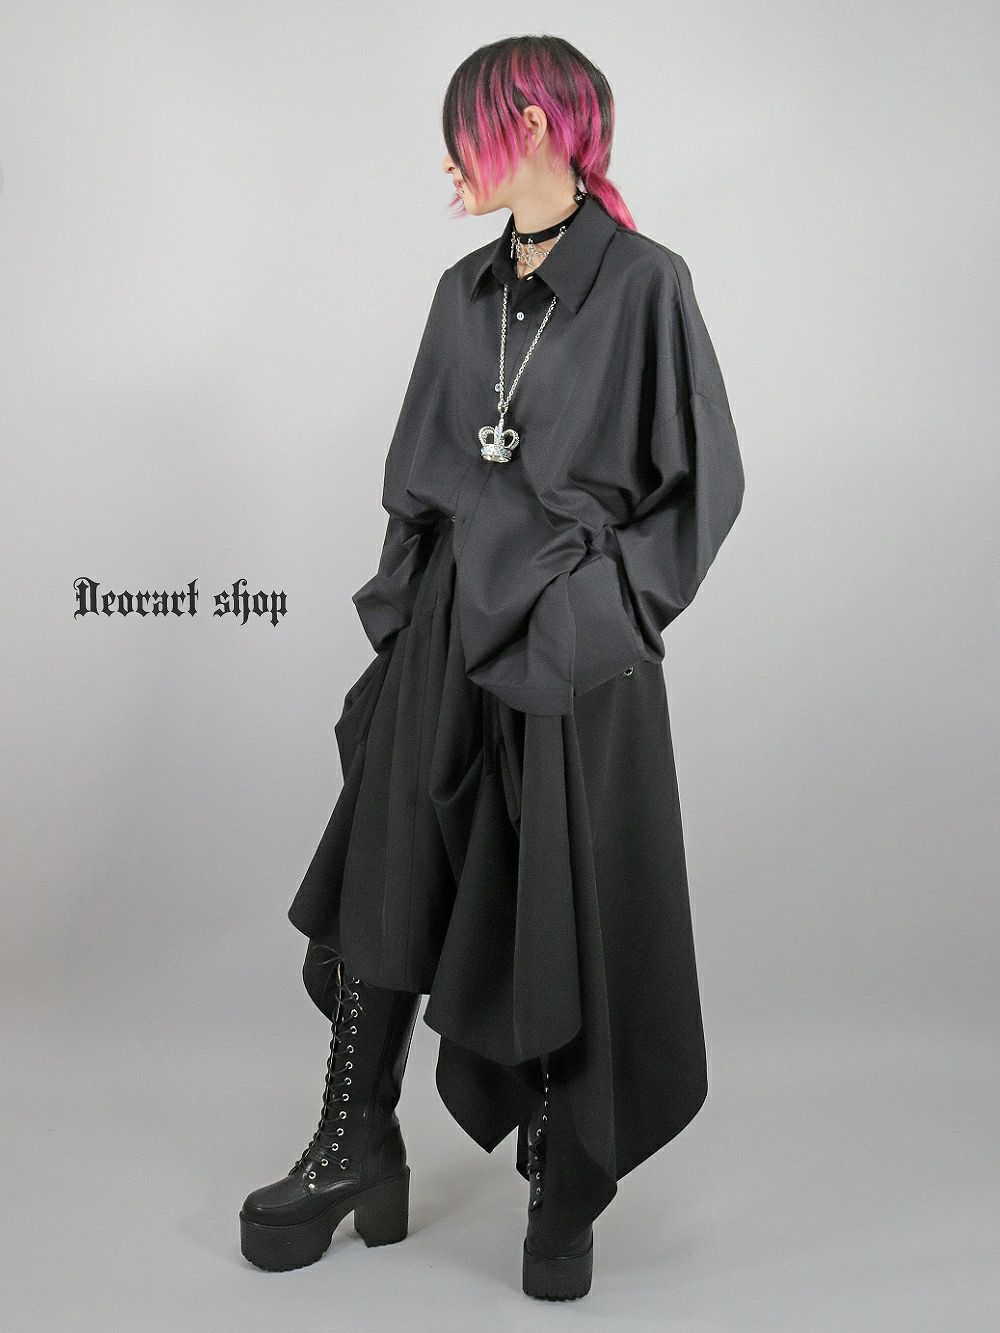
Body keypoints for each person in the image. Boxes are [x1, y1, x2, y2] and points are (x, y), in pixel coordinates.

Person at [239, 34, 745, 1302]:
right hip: (447, 631)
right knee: (387, 863)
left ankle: (558, 1181)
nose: (446, 168)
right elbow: (417, 474)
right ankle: (355, 1144)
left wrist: (595, 610)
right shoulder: (460, 293)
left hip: (567, 649)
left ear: (528, 127)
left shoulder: (645, 284)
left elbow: (701, 489)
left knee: (550, 896)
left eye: (460, 138)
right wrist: (410, 616)